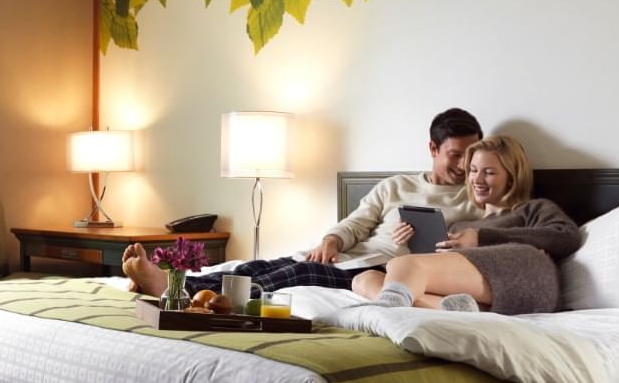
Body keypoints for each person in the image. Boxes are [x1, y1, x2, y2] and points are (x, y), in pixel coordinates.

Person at [121, 107, 484, 299]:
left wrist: (424, 244)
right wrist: (331, 241)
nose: (464, 165)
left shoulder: (477, 200)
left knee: (294, 276)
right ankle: (172, 282)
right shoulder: (396, 185)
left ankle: (177, 292)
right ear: (433, 149)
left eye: (471, 155)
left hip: (380, 271)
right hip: (345, 255)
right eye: (455, 155)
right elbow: (357, 222)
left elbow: (475, 252)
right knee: (257, 265)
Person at [352, 134, 580, 314]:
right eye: (473, 171)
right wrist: (413, 240)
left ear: (512, 176)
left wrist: (482, 238)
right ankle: (453, 312)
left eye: (489, 172)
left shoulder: (532, 209)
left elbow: (566, 237)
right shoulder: (460, 227)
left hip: (529, 279)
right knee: (365, 279)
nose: (477, 180)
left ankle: (385, 312)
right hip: (482, 297)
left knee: (405, 265)